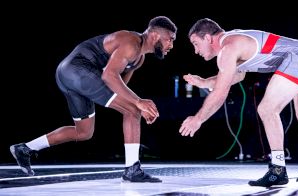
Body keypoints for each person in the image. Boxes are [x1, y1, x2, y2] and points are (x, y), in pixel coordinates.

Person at [10, 16, 177, 183]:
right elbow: (109, 76)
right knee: (132, 110)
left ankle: (25, 148)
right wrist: (137, 103)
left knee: (84, 132)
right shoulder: (131, 42)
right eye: (170, 39)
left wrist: (136, 104)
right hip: (77, 70)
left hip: (69, 75)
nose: (171, 45)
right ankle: (132, 170)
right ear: (155, 36)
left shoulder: (139, 59)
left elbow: (119, 86)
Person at [179, 18, 298, 187]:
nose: (195, 50)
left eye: (196, 43)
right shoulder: (234, 40)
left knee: (267, 109)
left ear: (207, 38)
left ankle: (278, 170)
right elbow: (237, 75)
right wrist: (205, 82)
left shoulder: (228, 49)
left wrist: (198, 119)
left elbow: (220, 92)